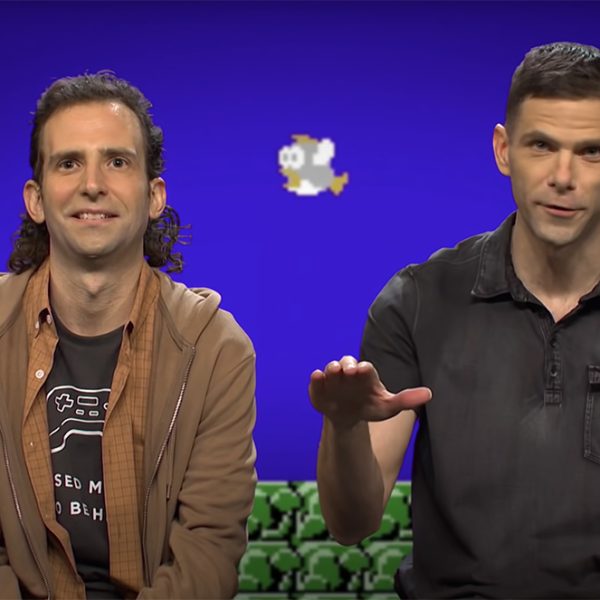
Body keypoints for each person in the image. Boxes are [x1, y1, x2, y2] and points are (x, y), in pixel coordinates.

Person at [310, 41, 600, 598]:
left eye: (591, 152)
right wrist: (344, 427)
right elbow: (352, 524)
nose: (563, 176)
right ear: (504, 149)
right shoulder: (417, 301)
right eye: (542, 145)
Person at [0, 72, 257, 599]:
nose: (92, 184)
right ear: (36, 199)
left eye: (117, 162)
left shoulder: (216, 350)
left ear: (154, 195)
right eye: (68, 163)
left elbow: (206, 561)